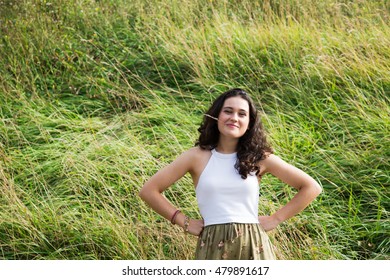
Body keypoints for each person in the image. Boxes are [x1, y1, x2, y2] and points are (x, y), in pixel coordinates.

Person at [139, 88, 322, 260]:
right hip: (211, 244)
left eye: (242, 114)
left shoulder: (260, 158)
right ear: (217, 115)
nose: (234, 118)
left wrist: (276, 219)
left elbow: (311, 187)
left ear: (249, 123)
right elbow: (149, 190)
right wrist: (183, 221)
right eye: (228, 111)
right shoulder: (196, 156)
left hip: (253, 245)